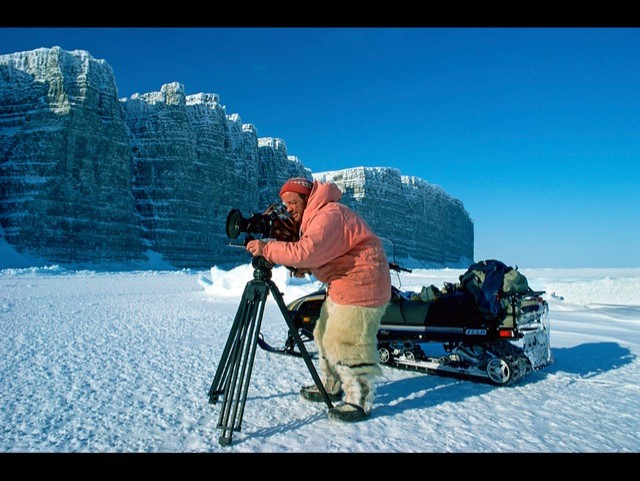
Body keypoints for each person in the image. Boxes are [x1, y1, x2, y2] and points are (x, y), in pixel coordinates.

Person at [246, 177, 391, 422]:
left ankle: (360, 400)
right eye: (285, 205)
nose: (289, 209)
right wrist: (308, 265)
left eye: (292, 202)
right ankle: (331, 384)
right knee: (322, 333)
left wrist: (267, 249)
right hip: (344, 283)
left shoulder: (329, 215)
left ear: (306, 197)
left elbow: (308, 251)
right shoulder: (316, 217)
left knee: (345, 342)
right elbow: (322, 253)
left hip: (363, 286)